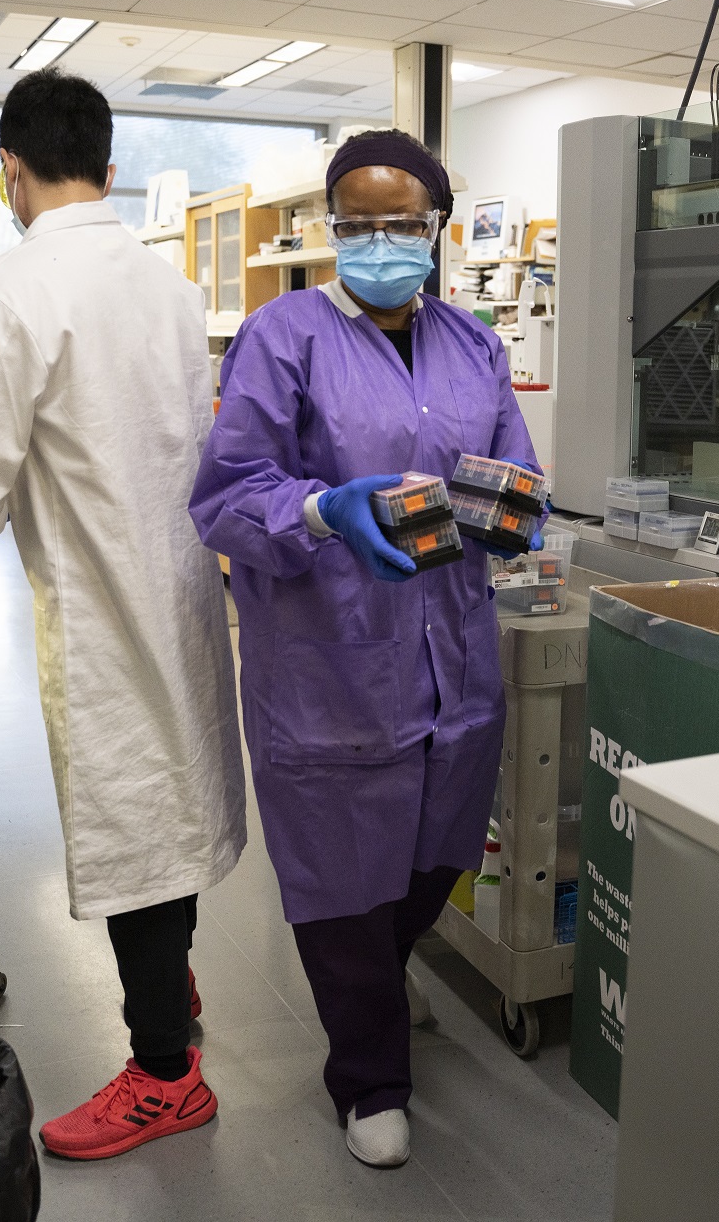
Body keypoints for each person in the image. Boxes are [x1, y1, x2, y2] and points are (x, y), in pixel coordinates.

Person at [189, 129, 540, 1169]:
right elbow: (225, 493)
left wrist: (516, 509)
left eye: (402, 224)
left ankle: (380, 986)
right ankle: (369, 1076)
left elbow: (510, 470)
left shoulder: (474, 345)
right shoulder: (281, 335)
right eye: (357, 224)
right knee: (342, 879)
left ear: (435, 230)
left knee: (432, 857)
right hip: (331, 661)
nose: (380, 241)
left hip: (454, 662)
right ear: (330, 229)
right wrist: (321, 509)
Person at [0, 66, 246, 1161]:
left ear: (10, 171)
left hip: (102, 602)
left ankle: (166, 1075)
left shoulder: (3, 292)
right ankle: (174, 989)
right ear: (106, 173)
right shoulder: (168, 288)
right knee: (171, 799)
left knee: (132, 817)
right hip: (178, 581)